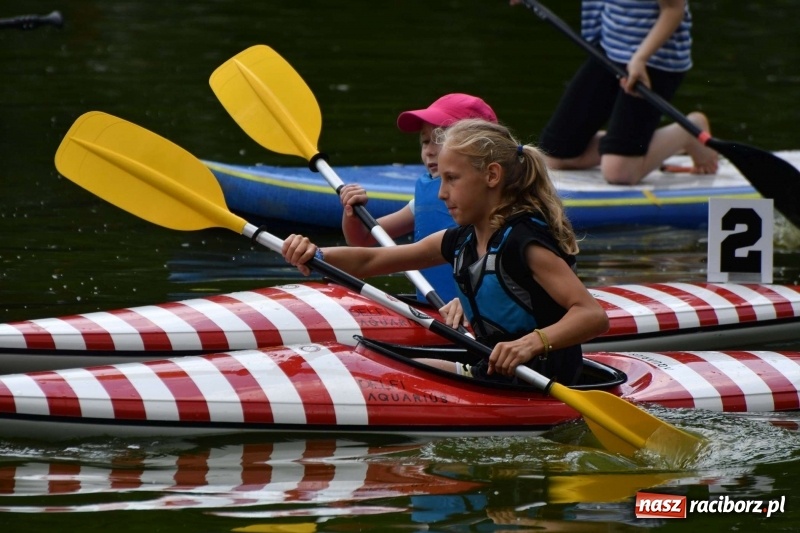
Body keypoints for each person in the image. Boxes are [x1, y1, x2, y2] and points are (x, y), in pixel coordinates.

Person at [283, 119, 610, 385]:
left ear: (491, 176)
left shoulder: (524, 244)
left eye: (452, 179)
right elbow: (370, 260)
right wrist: (315, 254)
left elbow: (591, 316)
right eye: (441, 179)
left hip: (544, 382)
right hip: (492, 376)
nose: (441, 194)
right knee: (373, 368)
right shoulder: (460, 241)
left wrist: (531, 343)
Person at [512, 0, 718, 185]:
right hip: (610, 48)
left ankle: (688, 131)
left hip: (654, 60)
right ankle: (627, 144)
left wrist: (640, 58)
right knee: (554, 155)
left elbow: (674, 9)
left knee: (619, 173)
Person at [338, 93, 498, 305]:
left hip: (476, 316)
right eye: (425, 142)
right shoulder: (427, 196)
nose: (430, 151)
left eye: (440, 141)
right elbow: (362, 239)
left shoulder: (496, 204)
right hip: (434, 310)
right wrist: (351, 212)